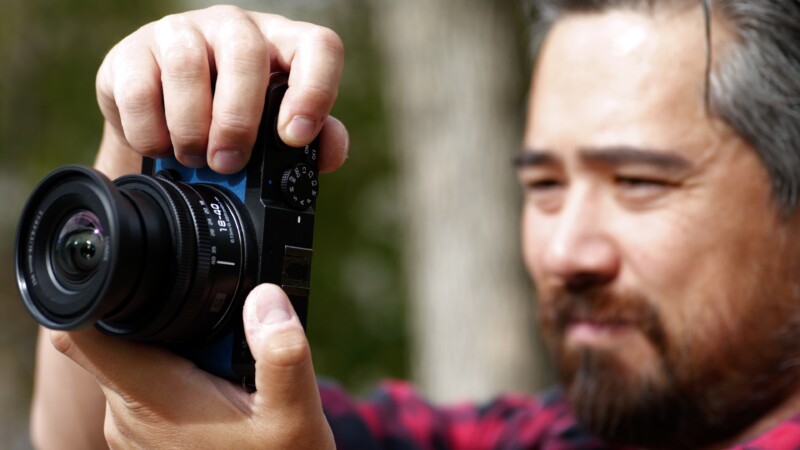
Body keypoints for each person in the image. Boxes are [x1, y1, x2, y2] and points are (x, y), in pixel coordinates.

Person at [28, 0, 800, 449]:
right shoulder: (540, 434)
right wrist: (139, 142)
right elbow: (88, 438)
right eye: (545, 184)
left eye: (638, 182)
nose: (566, 251)